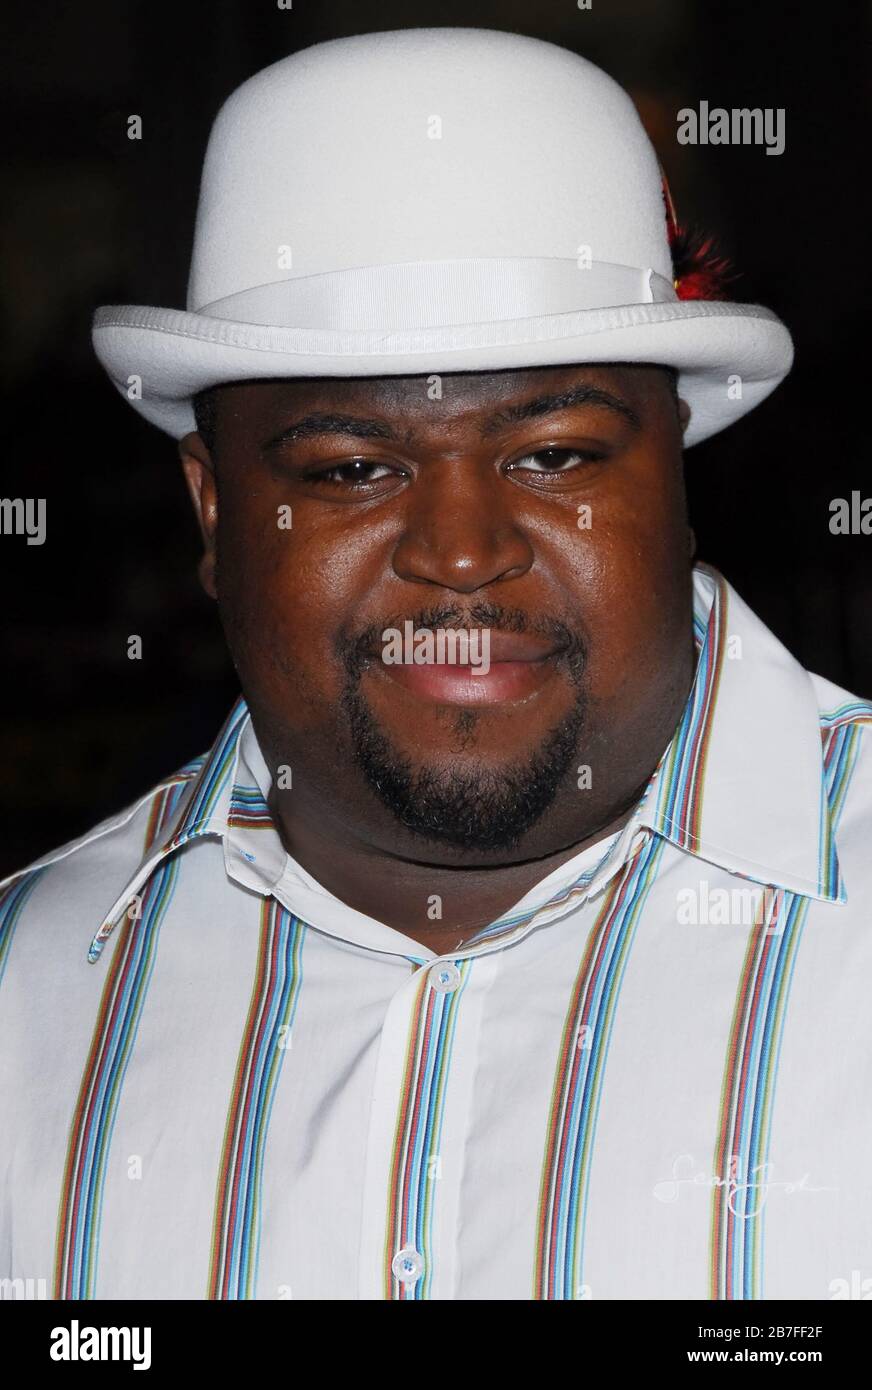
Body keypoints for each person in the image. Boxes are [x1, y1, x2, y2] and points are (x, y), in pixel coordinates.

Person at [2, 27, 870, 1302]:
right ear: (211, 514)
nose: (460, 552)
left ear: (676, 478)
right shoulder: (28, 995)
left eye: (557, 454)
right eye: (352, 469)